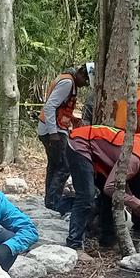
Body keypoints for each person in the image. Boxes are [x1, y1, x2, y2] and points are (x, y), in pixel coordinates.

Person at [64, 125, 140, 249]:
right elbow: (110, 187)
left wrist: (138, 208)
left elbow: (120, 183)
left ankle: (106, 240)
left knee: (108, 199)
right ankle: (74, 244)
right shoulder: (134, 160)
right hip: (80, 143)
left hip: (92, 148)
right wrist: (139, 203)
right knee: (85, 196)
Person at [37, 63, 93, 214]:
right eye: (86, 81)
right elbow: (50, 106)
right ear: (81, 74)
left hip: (52, 127)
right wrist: (53, 132)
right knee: (64, 166)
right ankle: (53, 202)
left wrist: (73, 119)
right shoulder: (68, 83)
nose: (85, 85)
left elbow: (61, 108)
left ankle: (49, 202)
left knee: (55, 166)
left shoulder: (68, 81)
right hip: (53, 130)